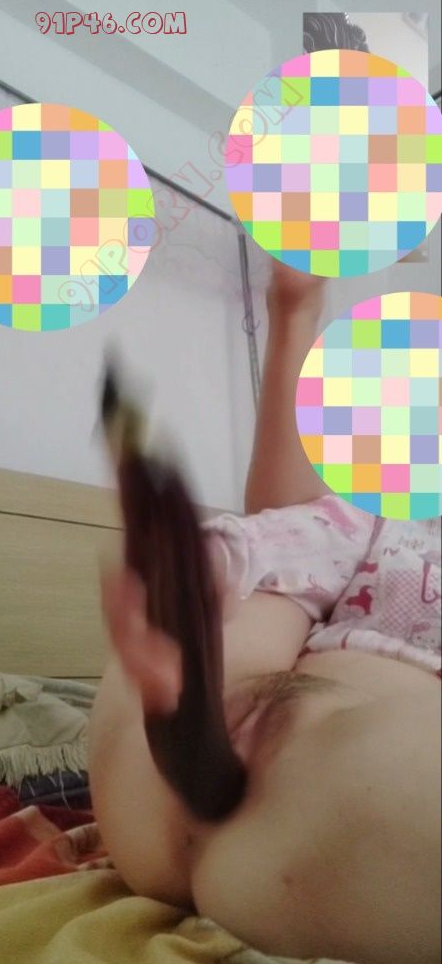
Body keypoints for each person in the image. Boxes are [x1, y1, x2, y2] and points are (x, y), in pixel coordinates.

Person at [88, 263, 441, 964]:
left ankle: (184, 676)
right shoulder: (379, 525)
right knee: (264, 578)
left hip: (328, 787)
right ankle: (185, 665)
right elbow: (287, 527)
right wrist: (212, 567)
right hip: (203, 764)